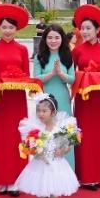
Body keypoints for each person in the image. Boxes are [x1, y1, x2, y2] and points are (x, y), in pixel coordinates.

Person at [16, 95, 79, 198]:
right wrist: (34, 149)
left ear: (53, 112)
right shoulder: (34, 129)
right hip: (40, 168)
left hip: (57, 168)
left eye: (45, 111)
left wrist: (63, 150)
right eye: (39, 111)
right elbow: (29, 148)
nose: (41, 114)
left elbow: (70, 144)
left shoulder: (62, 128)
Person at [0, 3, 33, 196]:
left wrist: (18, 81)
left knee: (17, 137)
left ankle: (17, 181)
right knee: (0, 139)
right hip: (0, 100)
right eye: (4, 27)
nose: (7, 31)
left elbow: (27, 74)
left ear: (16, 29)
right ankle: (1, 180)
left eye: (11, 28)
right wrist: (0, 81)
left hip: (17, 100)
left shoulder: (22, 49)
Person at [71, 4, 100, 190]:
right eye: (82, 28)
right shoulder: (77, 50)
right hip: (84, 100)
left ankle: (98, 175)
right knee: (84, 135)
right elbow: (72, 72)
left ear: (98, 30)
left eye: (89, 28)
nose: (85, 31)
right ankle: (84, 176)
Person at [34, 24, 76, 171]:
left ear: (62, 39)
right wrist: (52, 73)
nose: (53, 41)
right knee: (45, 134)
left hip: (62, 98)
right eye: (50, 37)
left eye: (56, 37)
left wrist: (61, 73)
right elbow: (36, 78)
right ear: (45, 39)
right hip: (44, 100)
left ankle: (67, 172)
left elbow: (72, 79)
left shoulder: (67, 56)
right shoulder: (40, 57)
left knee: (63, 133)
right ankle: (44, 171)